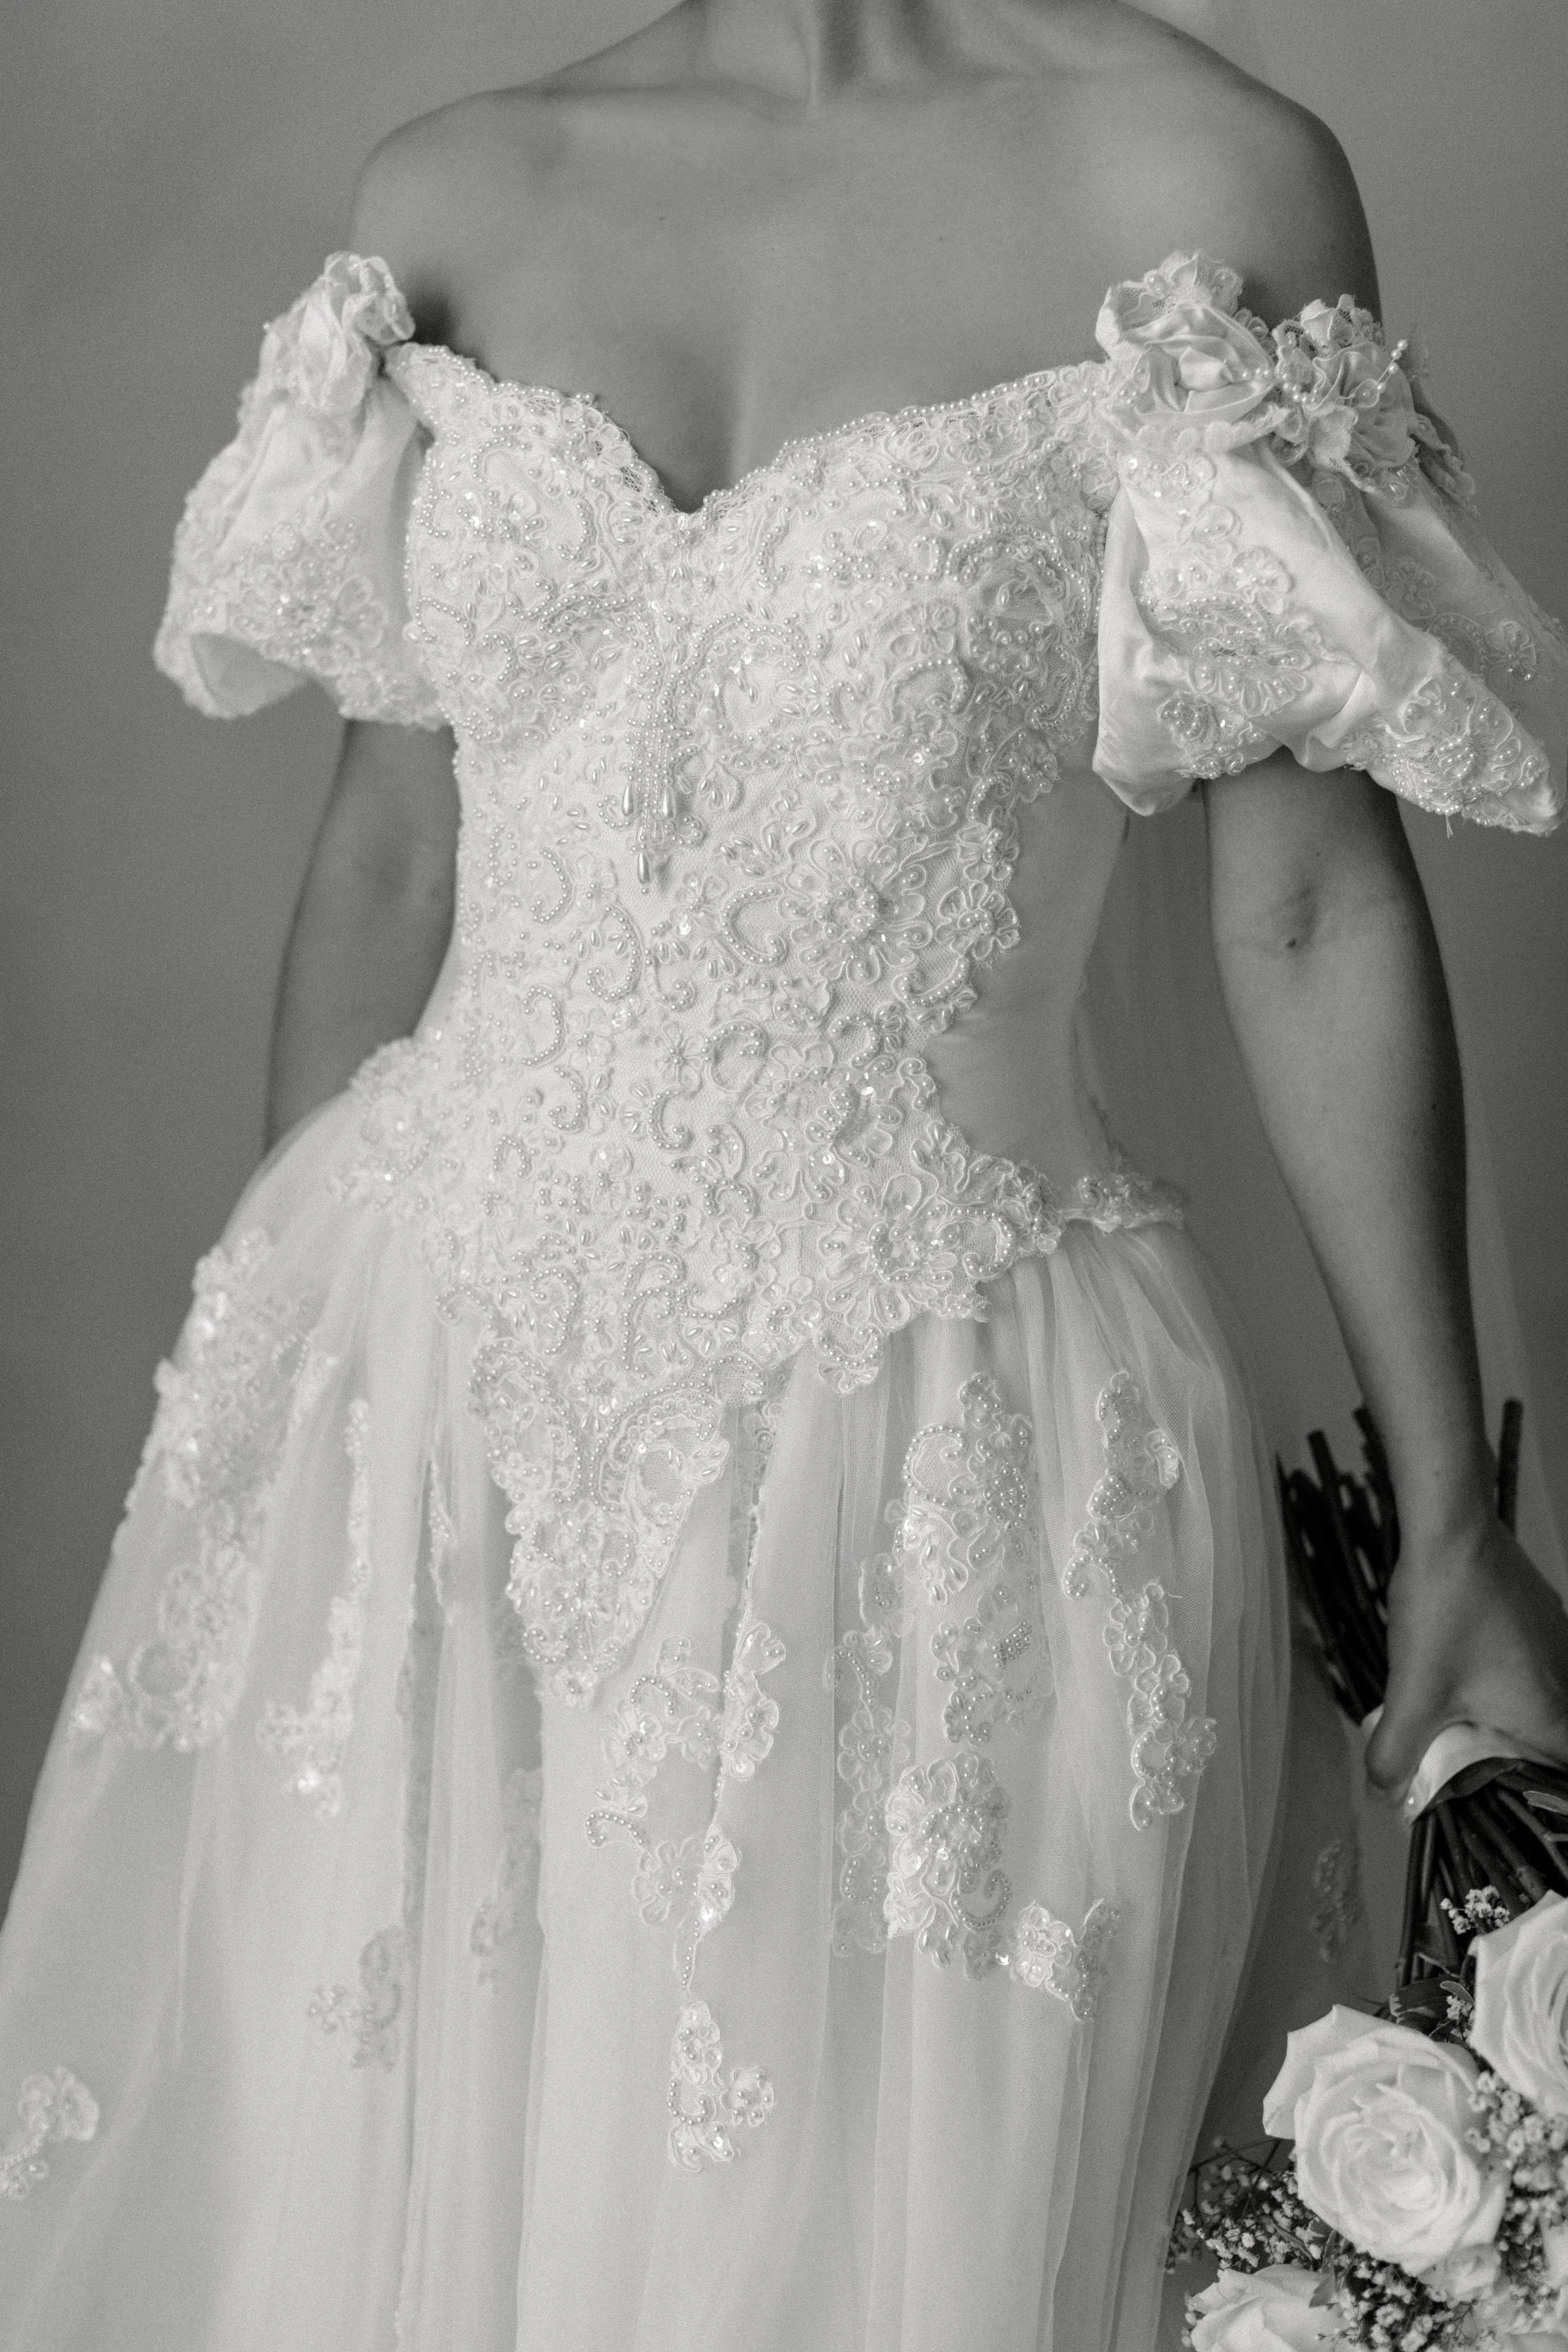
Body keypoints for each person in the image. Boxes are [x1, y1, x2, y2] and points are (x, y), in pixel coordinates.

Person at [3, 1, 1567, 2344]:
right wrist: (304, 1456)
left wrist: (1453, 1525)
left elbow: (1309, 901)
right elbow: (390, 863)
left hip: (949, 1446)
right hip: (440, 1405)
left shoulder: (1198, 181)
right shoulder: (451, 192)